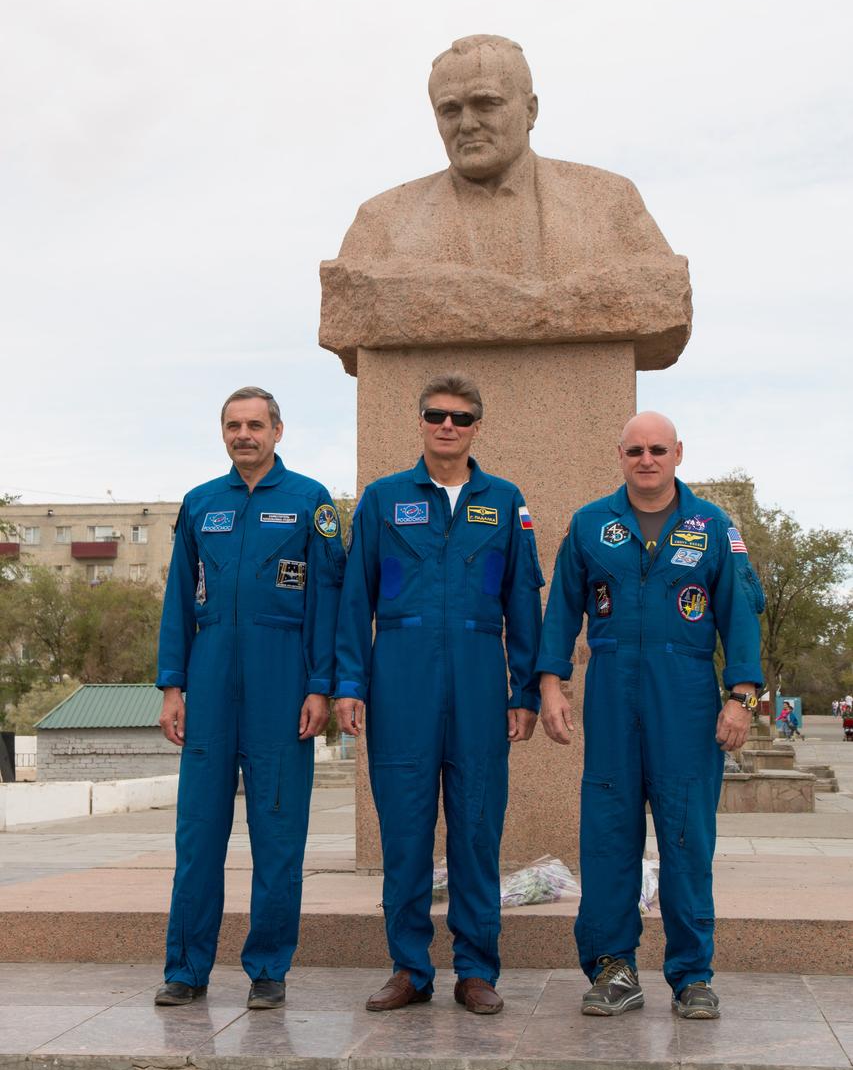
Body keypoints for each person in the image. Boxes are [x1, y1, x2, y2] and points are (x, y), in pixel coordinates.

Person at [537, 412, 764, 1020]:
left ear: (678, 454)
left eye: (658, 449)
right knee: (608, 836)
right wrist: (552, 685)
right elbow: (560, 611)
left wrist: (741, 697)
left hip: (686, 695)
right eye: (635, 450)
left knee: (687, 837)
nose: (647, 459)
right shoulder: (590, 524)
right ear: (620, 455)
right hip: (611, 692)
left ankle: (692, 976)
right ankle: (614, 970)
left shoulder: (712, 526)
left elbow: (742, 614)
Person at [335, 373, 544, 1014]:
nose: (447, 426)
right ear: (420, 421)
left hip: (481, 685)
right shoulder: (382, 499)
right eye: (436, 415)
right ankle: (409, 968)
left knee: (477, 830)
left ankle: (477, 970)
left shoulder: (506, 503)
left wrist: (525, 689)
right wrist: (350, 682)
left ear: (478, 425)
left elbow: (523, 604)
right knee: (404, 833)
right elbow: (353, 601)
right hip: (401, 680)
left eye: (460, 417)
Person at [321, 34, 690, 376]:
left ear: (530, 111)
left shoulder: (609, 203)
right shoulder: (382, 223)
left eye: (487, 103)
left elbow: (660, 291)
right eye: (449, 110)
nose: (467, 124)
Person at [154, 387, 345, 1008]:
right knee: (198, 834)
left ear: (278, 431)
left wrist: (321, 686)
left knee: (278, 834)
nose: (245, 435)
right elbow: (179, 602)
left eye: (255, 425)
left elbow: (328, 604)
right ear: (223, 433)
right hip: (209, 679)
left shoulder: (310, 501)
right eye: (234, 426)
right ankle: (185, 969)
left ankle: (268, 969)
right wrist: (172, 687)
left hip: (282, 679)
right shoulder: (200, 503)